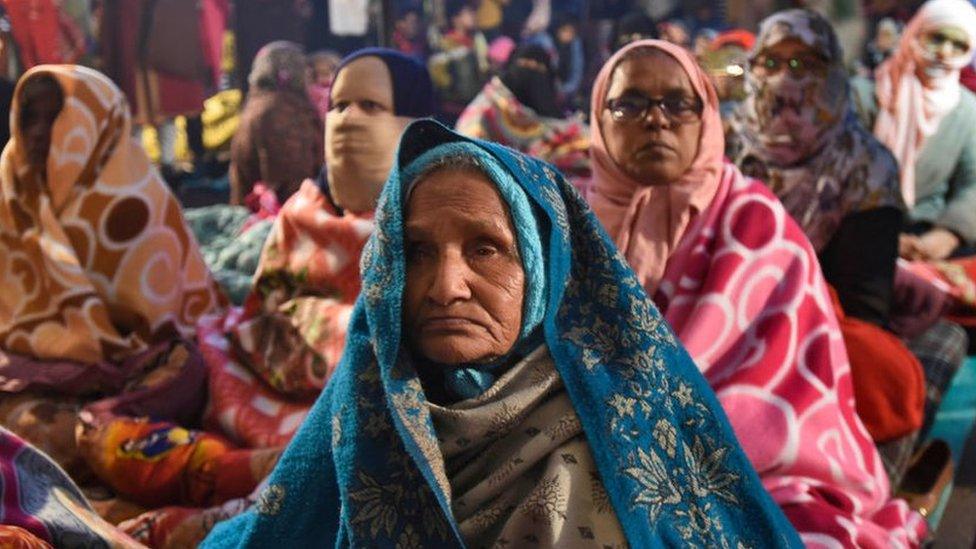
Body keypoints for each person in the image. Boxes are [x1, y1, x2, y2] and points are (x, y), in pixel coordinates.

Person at [201, 118, 802, 548]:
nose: (446, 286)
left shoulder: (615, 448)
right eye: (416, 252)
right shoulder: (369, 404)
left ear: (544, 272)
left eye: (486, 248)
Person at [588, 39, 925, 546]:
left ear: (707, 116)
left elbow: (775, 386)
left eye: (679, 103)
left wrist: (661, 433)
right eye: (630, 103)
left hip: (746, 458)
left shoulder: (755, 222)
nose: (656, 119)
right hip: (598, 440)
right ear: (599, 115)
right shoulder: (564, 222)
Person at [115, 49, 438, 548]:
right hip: (260, 379)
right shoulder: (302, 213)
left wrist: (342, 329)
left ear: (416, 124)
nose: (348, 119)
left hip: (361, 405)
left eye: (371, 106)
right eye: (338, 105)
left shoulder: (434, 229)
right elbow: (260, 312)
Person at [727, 9, 967, 487]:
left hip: (822, 331)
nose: (783, 79)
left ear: (833, 74)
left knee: (889, 369)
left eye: (803, 65)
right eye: (770, 62)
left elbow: (863, 307)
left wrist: (945, 233)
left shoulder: (865, 170)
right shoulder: (723, 147)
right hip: (723, 325)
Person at [0, 65, 223, 489]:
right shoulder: (9, 190)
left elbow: (165, 326)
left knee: (187, 373)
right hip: (26, 374)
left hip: (127, 372)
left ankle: (96, 445)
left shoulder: (136, 202)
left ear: (98, 124)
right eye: (30, 117)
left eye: (57, 117)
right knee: (37, 426)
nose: (38, 132)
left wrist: (90, 356)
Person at [851, 0, 976, 262]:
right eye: (936, 38)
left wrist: (946, 237)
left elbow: (972, 184)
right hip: (857, 229)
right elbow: (841, 175)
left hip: (929, 236)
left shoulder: (967, 111)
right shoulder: (866, 95)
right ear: (915, 34)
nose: (944, 52)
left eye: (958, 45)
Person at [456, 44, 589, 182]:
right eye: (524, 65)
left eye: (539, 68)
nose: (531, 74)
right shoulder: (484, 112)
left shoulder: (564, 131)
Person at [229, 41, 324, 205]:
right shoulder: (280, 112)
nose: (308, 73)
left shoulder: (259, 103)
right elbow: (291, 178)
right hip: (283, 214)